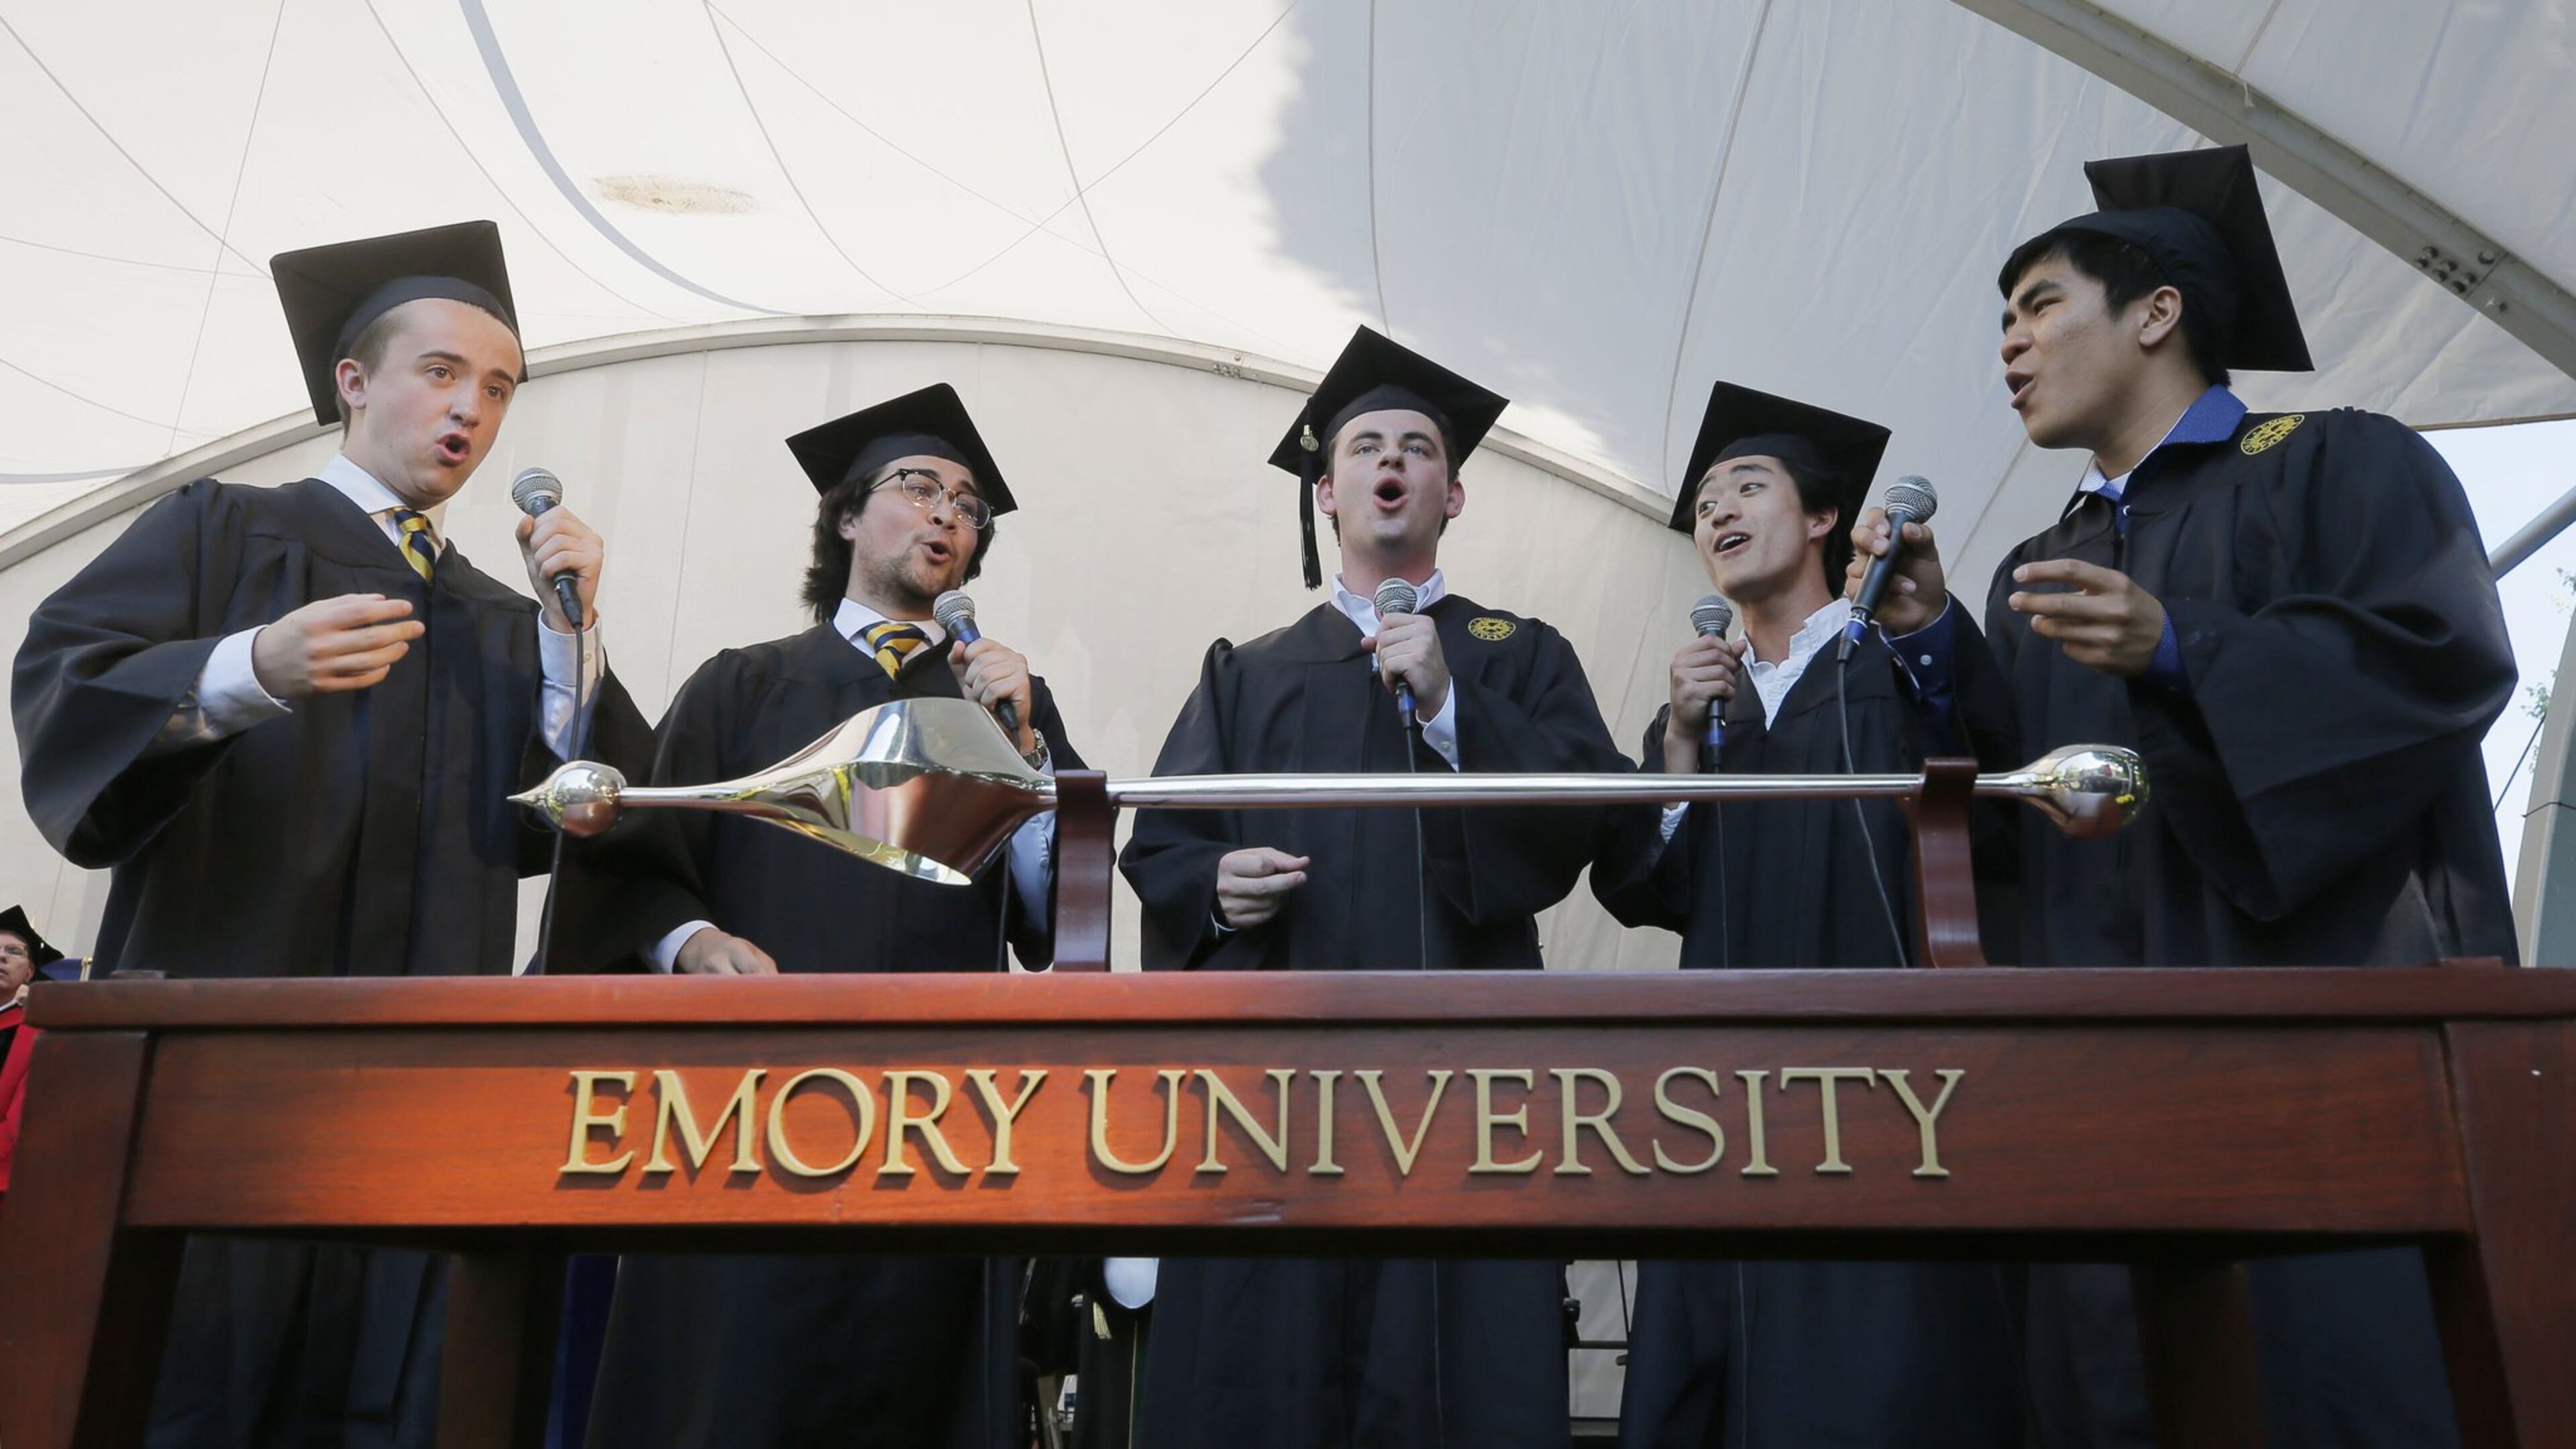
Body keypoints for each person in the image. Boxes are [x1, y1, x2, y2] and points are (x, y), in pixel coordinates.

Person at [1857, 144, 2510, 1446]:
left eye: (2041, 306)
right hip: (2107, 1064)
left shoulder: (2338, 466)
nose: (2010, 344)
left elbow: (2437, 660)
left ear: (2158, 312)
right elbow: (2023, 808)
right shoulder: (2043, 567)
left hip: (2313, 1050)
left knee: (2321, 1378)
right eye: (2002, 321)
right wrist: (1935, 647)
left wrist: (2183, 649)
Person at [10, 220, 646, 1448]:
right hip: (220, 1084)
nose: (472, 410)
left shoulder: (508, 621)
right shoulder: (220, 529)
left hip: (423, 1093)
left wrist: (574, 657)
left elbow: (587, 816)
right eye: (442, 372)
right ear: (354, 382)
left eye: (499, 390)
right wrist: (247, 666)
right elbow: (67, 691)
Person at [1118, 327, 1628, 1448]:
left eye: (1416, 448)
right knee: (1267, 1375)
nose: (1389, 462)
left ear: (1455, 495)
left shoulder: (1518, 652)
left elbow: (1590, 811)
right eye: (1363, 446)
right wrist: (1216, 883)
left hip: (1469, 1103)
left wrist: (1452, 705)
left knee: (1455, 1369)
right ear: (1325, 491)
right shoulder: (1245, 672)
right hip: (1275, 1106)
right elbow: (1159, 845)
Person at [579, 384, 1078, 1449]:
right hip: (751, 1109)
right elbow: (643, 863)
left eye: (970, 505)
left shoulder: (1005, 706)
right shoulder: (744, 685)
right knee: (737, 1388)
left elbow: (1050, 920)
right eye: (920, 487)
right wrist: (693, 943)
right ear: (848, 518)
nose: (950, 514)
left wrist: (1028, 758)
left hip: (943, 1120)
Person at [1591, 384, 2024, 1446]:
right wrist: (1685, 747)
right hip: (1720, 1095)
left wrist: (1926, 642)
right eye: (1702, 502)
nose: (1717, 512)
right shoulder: (1704, 706)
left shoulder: (1899, 655)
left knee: (1887, 1361)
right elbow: (1644, 890)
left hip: (1892, 1088)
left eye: (1748, 486)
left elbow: (2001, 794)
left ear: (1825, 518)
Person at [0, 904, 65, 1216]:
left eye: (14, 951)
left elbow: (20, 1122)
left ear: (30, 972)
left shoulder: (39, 1032)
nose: (2, 957)